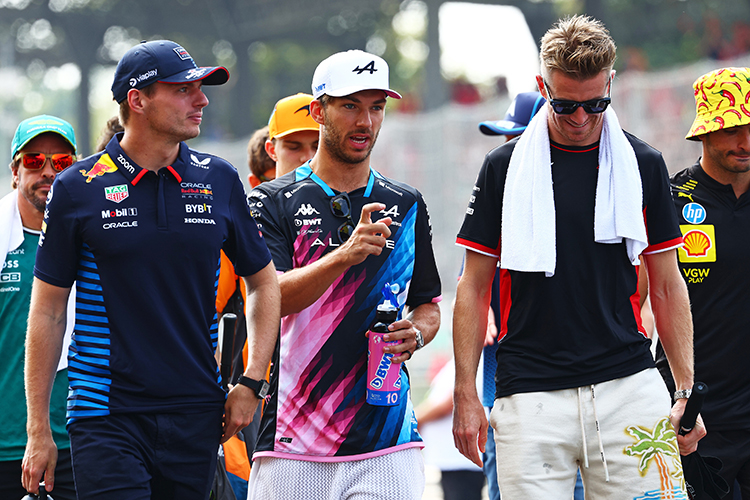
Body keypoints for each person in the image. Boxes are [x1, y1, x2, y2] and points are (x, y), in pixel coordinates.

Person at [452, 15, 704, 499]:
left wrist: (686, 391)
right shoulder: (503, 168)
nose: (581, 119)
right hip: (529, 394)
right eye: (564, 104)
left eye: (595, 104)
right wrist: (467, 392)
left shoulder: (643, 164)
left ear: (610, 82)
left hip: (629, 384)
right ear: (541, 86)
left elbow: (669, 285)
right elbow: (472, 285)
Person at [21, 39, 280, 499]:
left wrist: (251, 381)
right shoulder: (76, 187)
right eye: (183, 90)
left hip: (199, 411)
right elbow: (47, 312)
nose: (201, 99)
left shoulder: (218, 178)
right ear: (137, 100)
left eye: (201, 88)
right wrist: (38, 429)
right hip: (106, 415)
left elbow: (262, 281)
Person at [246, 49, 441, 500]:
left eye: (376, 107)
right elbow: (269, 297)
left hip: (387, 439)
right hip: (293, 442)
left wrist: (418, 331)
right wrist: (343, 256)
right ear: (319, 110)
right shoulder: (271, 201)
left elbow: (428, 304)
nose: (365, 122)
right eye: (350, 105)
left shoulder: (407, 203)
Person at [655, 66, 750, 499]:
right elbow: (641, 301)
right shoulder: (672, 201)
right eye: (732, 129)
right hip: (696, 414)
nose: (744, 142)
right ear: (705, 131)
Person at [474, 91, 547, 500]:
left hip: (567, 389)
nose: (507, 152)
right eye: (506, 141)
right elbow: (471, 283)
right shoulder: (494, 204)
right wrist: (484, 309)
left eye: (518, 140)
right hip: (504, 390)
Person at [0, 115, 77, 500]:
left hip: (80, 441)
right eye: (34, 161)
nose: (48, 171)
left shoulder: (97, 239)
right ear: (15, 171)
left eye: (61, 162)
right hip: (6, 444)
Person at [416, 356, 485, 500]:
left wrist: (414, 420)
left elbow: (448, 403)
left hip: (461, 459)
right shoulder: (458, 361)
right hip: (452, 458)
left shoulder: (474, 358)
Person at [265, 92, 320, 178]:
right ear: (272, 150)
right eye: (294, 147)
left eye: (318, 147)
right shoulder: (260, 192)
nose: (308, 158)